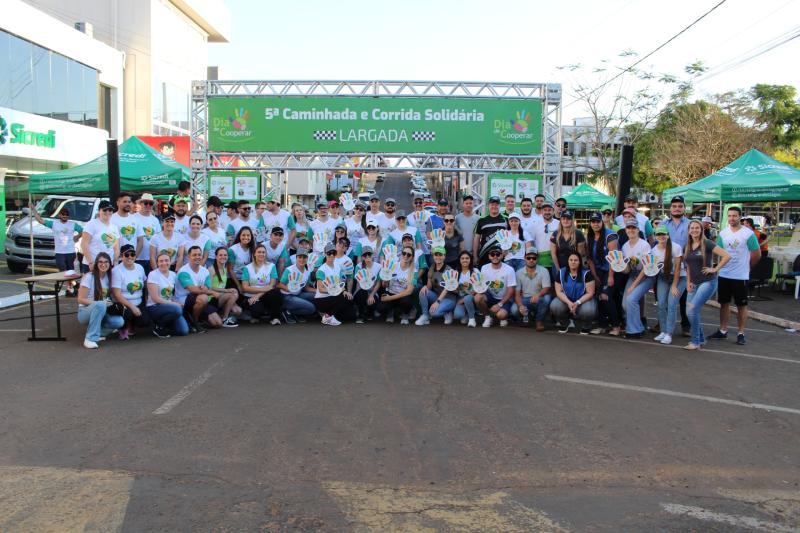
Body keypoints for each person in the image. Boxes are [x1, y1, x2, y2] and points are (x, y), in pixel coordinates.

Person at [710, 206, 761, 345]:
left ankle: (741, 333)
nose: (732, 218)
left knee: (741, 306)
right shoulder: (723, 233)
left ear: (740, 217)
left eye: (735, 216)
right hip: (725, 274)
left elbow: (757, 254)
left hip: (741, 276)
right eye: (730, 216)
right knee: (724, 304)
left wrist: (748, 267)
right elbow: (718, 251)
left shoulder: (748, 234)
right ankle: (722, 331)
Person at [683, 220, 730, 350]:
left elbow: (726, 256)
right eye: (692, 228)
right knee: (689, 312)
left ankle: (695, 341)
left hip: (707, 282)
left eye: (697, 228)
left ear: (701, 229)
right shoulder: (686, 246)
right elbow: (687, 266)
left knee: (692, 310)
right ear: (689, 230)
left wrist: (715, 269)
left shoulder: (707, 243)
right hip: (693, 283)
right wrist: (688, 283)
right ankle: (702, 338)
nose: (694, 230)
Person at [76, 252, 125, 349]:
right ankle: (90, 339)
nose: (103, 264)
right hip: (85, 312)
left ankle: (96, 332)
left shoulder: (109, 277)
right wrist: (100, 303)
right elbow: (80, 299)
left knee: (119, 322)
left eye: (106, 261)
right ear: (96, 264)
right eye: (100, 262)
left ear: (110, 263)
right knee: (100, 305)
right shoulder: (89, 277)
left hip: (102, 310)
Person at [32, 205, 82, 294]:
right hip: (59, 252)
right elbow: (40, 221)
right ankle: (74, 285)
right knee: (63, 270)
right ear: (59, 215)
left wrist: (77, 237)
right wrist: (33, 209)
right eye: (63, 214)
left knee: (70, 271)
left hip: (70, 251)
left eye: (66, 215)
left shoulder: (72, 224)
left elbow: (82, 230)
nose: (64, 216)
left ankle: (70, 289)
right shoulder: (54, 224)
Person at [585, 211, 620, 336]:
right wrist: (594, 276)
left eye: (597, 221)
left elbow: (613, 257)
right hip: (598, 271)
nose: (595, 224)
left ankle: (616, 325)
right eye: (593, 222)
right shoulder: (589, 236)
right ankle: (602, 325)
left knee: (606, 296)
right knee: (598, 297)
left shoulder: (610, 235)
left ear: (602, 222)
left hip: (612, 270)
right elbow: (590, 259)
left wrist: (610, 276)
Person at [648, 225, 685, 345]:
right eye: (658, 234)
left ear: (668, 235)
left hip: (679, 278)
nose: (661, 236)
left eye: (663, 234)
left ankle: (669, 333)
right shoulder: (654, 250)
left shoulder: (676, 247)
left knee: (672, 303)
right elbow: (653, 268)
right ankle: (663, 331)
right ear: (655, 236)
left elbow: (678, 268)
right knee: (661, 303)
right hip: (664, 277)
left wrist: (674, 285)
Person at [176, 245, 224, 332]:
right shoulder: (183, 271)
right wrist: (212, 292)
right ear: (189, 257)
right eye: (194, 255)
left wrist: (203, 288)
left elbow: (207, 286)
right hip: (184, 300)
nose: (197, 257)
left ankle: (197, 318)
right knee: (203, 297)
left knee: (218, 323)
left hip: (199, 301)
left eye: (199, 254)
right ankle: (195, 322)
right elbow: (192, 289)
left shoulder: (205, 271)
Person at [621, 219, 654, 339]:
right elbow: (628, 270)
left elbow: (646, 267)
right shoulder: (625, 246)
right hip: (633, 275)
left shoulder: (644, 244)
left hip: (646, 276)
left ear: (638, 230)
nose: (631, 230)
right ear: (625, 230)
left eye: (633, 228)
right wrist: (618, 266)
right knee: (625, 304)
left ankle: (633, 331)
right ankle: (639, 327)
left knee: (632, 299)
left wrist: (633, 285)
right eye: (628, 228)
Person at [664, 195, 691, 337]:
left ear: (684, 208)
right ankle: (664, 324)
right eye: (674, 206)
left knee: (685, 299)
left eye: (680, 206)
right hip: (667, 268)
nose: (677, 208)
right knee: (665, 299)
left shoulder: (690, 224)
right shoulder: (664, 224)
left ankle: (686, 326)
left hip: (685, 268)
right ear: (670, 208)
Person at [550, 252, 597, 334]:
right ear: (567, 261)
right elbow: (558, 292)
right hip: (567, 300)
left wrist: (577, 303)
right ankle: (565, 323)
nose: (573, 262)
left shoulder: (587, 273)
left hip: (583, 300)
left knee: (588, 310)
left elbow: (590, 293)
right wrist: (568, 302)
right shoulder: (561, 272)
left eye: (576, 260)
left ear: (579, 262)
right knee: (555, 306)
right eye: (571, 260)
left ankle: (586, 325)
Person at [146, 252, 189, 338]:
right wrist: (174, 304)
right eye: (161, 261)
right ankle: (159, 326)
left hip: (169, 306)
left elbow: (172, 295)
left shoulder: (173, 275)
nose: (164, 263)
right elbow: (155, 299)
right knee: (177, 309)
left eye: (166, 260)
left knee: (183, 331)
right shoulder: (153, 274)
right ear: (157, 263)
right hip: (155, 307)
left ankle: (167, 325)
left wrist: (177, 302)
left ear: (171, 262)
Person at [110, 244, 149, 340]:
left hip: (138, 301)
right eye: (126, 255)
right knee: (128, 314)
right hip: (122, 303)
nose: (130, 257)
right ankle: (122, 328)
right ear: (121, 256)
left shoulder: (140, 267)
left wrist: (147, 300)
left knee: (145, 321)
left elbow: (146, 284)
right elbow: (117, 294)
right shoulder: (117, 271)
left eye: (132, 254)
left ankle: (131, 324)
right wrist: (132, 307)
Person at [474, 245, 516, 327]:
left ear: (502, 255)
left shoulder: (509, 269)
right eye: (492, 254)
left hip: (504, 299)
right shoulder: (484, 268)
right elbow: (482, 285)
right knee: (477, 298)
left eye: (498, 254)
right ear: (489, 256)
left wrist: (499, 304)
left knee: (501, 315)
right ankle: (488, 316)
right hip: (491, 297)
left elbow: (511, 290)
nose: (495, 256)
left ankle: (502, 317)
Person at [241, 243, 282, 325]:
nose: (261, 254)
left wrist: (258, 295)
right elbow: (245, 287)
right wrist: (260, 291)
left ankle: (275, 318)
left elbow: (272, 285)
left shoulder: (271, 266)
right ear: (254, 254)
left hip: (265, 295)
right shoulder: (247, 268)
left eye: (263, 252)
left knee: (276, 291)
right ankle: (255, 314)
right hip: (251, 296)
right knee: (257, 311)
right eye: (259, 252)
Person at [513, 247, 552, 332]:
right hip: (525, 299)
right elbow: (517, 293)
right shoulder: (518, 273)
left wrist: (538, 295)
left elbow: (546, 288)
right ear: (524, 258)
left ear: (537, 259)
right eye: (528, 258)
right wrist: (520, 306)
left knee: (547, 298)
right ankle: (528, 316)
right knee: (514, 310)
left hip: (539, 299)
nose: (531, 260)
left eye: (534, 258)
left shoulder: (544, 270)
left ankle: (539, 321)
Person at [415, 246, 457, 325]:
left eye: (440, 255)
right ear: (433, 256)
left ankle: (447, 311)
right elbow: (429, 286)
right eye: (436, 255)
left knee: (434, 313)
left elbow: (447, 289)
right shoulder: (432, 267)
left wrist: (437, 302)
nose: (438, 257)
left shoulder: (449, 270)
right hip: (438, 296)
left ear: (444, 256)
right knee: (423, 291)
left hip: (449, 298)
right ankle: (425, 316)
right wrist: (425, 287)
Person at [315, 242, 353, 326]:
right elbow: (320, 289)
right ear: (325, 254)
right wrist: (334, 291)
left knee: (348, 298)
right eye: (329, 253)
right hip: (321, 300)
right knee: (344, 298)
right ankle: (327, 316)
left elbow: (340, 283)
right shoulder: (321, 270)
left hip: (333, 297)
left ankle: (330, 315)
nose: (331, 255)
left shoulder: (337, 267)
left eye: (333, 253)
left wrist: (344, 291)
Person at [378, 245, 416, 324]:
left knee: (407, 301)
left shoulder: (414, 271)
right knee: (381, 308)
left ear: (412, 257)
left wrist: (390, 298)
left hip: (403, 295)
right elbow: (384, 285)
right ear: (401, 254)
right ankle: (390, 311)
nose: (406, 256)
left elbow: (409, 291)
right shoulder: (393, 265)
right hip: (391, 292)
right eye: (404, 253)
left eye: (409, 254)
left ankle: (405, 313)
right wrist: (385, 281)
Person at [278, 246, 318, 323]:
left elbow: (306, 288)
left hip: (298, 294)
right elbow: (279, 284)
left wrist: (318, 291)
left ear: (307, 259)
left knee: (317, 296)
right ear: (296, 258)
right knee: (311, 308)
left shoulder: (307, 271)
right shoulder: (289, 270)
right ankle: (287, 311)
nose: (302, 259)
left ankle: (294, 311)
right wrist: (290, 289)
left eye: (304, 257)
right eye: (300, 257)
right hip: (287, 296)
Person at [81, 200, 120, 273]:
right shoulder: (92, 224)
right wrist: (90, 262)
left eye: (110, 210)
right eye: (105, 210)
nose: (108, 212)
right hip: (93, 264)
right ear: (99, 211)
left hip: (108, 265)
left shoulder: (114, 227)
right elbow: (84, 244)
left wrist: (115, 262)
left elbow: (116, 248)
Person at [206, 247, 241, 327]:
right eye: (220, 255)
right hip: (212, 299)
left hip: (221, 297)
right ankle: (225, 319)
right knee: (231, 294)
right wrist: (226, 290)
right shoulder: (211, 269)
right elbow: (209, 287)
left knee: (238, 311)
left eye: (225, 255)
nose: (223, 257)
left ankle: (220, 314)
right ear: (216, 257)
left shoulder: (225, 269)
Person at [473, 196, 509, 266]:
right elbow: (476, 239)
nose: (494, 206)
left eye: (496, 204)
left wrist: (507, 252)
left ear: (499, 206)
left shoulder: (506, 219)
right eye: (492, 204)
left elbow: (512, 237)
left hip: (501, 256)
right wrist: (475, 256)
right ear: (488, 206)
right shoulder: (481, 221)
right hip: (484, 255)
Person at [549, 210, 586, 275]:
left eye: (568, 219)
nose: (565, 221)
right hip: (558, 267)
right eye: (563, 219)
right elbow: (553, 254)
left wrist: (574, 269)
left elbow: (580, 254)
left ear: (572, 220)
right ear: (560, 220)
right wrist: (558, 270)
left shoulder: (578, 234)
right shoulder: (555, 234)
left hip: (574, 268)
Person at [133, 193, 162, 275]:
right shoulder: (133, 217)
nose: (148, 205)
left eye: (151, 203)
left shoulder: (155, 220)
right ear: (141, 204)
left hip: (152, 258)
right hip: (136, 257)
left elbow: (158, 238)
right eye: (146, 203)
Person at [353, 245, 381, 323]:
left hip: (373, 292)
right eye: (365, 255)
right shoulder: (358, 266)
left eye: (369, 254)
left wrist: (371, 295)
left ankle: (369, 313)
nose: (367, 256)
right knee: (362, 293)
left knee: (373, 300)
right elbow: (359, 283)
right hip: (360, 291)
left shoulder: (379, 266)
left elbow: (378, 283)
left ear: (373, 255)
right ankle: (360, 315)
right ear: (362, 257)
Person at [227, 226, 257, 295]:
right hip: (234, 279)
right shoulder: (233, 250)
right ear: (239, 236)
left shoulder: (253, 248)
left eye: (248, 235)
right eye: (243, 235)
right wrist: (239, 286)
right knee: (237, 294)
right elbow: (230, 270)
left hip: (247, 279)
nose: (246, 237)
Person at [531, 202, 559, 272]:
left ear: (553, 211)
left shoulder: (558, 224)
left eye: (549, 210)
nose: (547, 212)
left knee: (555, 281)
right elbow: (531, 242)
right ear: (541, 211)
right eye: (545, 210)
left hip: (556, 259)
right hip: (540, 260)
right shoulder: (535, 224)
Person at [453, 251, 479, 327]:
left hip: (472, 297)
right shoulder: (455, 272)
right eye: (462, 258)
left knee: (467, 299)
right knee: (457, 315)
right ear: (459, 260)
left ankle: (472, 319)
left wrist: (463, 299)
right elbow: (454, 289)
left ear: (470, 260)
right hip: (460, 297)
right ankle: (467, 313)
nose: (465, 260)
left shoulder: (475, 271)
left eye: (467, 258)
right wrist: (453, 289)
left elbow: (480, 287)